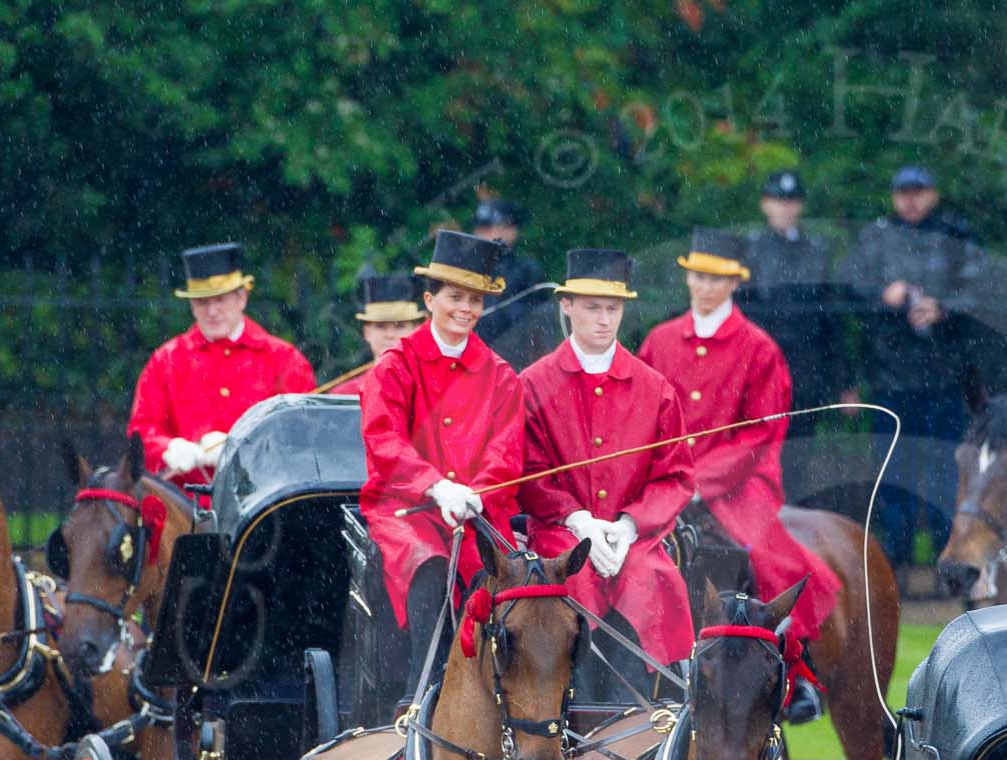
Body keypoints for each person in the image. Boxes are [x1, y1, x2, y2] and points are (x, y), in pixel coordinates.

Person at [639, 228, 840, 722]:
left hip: (739, 484)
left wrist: (698, 484)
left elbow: (759, 435)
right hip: (667, 480)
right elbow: (642, 417)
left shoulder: (759, 348)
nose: (704, 286)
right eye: (698, 276)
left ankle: (796, 674)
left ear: (734, 283)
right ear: (687, 276)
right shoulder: (659, 341)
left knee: (771, 562)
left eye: (716, 278)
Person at [357, 230, 523, 699]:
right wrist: (434, 487)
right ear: (430, 299)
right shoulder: (395, 366)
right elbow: (383, 441)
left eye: (475, 299)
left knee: (501, 580)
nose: (465, 309)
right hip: (403, 510)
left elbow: (507, 454)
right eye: (455, 297)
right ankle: (422, 692)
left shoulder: (501, 376)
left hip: (477, 513)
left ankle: (500, 697)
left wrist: (476, 495)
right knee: (428, 566)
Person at [519, 249, 694, 670]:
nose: (603, 319)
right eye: (591, 308)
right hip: (560, 534)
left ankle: (644, 709)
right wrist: (577, 519)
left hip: (635, 538)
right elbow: (528, 473)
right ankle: (568, 703)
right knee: (571, 576)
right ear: (567, 305)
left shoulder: (655, 389)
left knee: (646, 578)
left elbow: (675, 477)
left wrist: (629, 526)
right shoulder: (533, 384)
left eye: (612, 309)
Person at [843, 165, 983, 565]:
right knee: (892, 471)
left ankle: (945, 560)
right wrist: (883, 294)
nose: (911, 199)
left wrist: (942, 308)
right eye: (903, 192)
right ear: (893, 196)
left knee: (944, 469)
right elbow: (849, 290)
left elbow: (979, 291)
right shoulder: (875, 238)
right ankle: (895, 561)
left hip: (943, 377)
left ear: (933, 194)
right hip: (891, 379)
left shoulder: (955, 235)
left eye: (919, 191)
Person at [128, 242, 316, 493]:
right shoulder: (167, 360)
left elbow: (303, 435)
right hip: (184, 505)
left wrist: (243, 448)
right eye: (203, 302)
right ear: (192, 306)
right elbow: (142, 430)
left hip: (262, 503)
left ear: (242, 298)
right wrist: (168, 448)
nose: (212, 311)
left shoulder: (284, 360)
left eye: (220, 300)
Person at [744, 170, 847, 445]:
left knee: (798, 454)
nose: (785, 208)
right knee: (759, 455)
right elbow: (741, 317)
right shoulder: (749, 252)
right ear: (765, 204)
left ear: (800, 205)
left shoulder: (817, 252)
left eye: (791, 200)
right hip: (762, 370)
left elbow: (831, 321)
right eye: (778, 200)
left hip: (806, 372)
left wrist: (843, 382)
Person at [471, 199, 552, 370]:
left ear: (512, 230)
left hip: (516, 364)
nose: (485, 234)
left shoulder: (528, 272)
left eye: (493, 228)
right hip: (471, 363)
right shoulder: (465, 269)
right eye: (482, 229)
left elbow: (543, 329)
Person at [323, 269, 427, 396]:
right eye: (381, 326)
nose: (390, 335)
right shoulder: (344, 394)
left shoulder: (430, 390)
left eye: (400, 326)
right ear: (367, 332)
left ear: (416, 330)